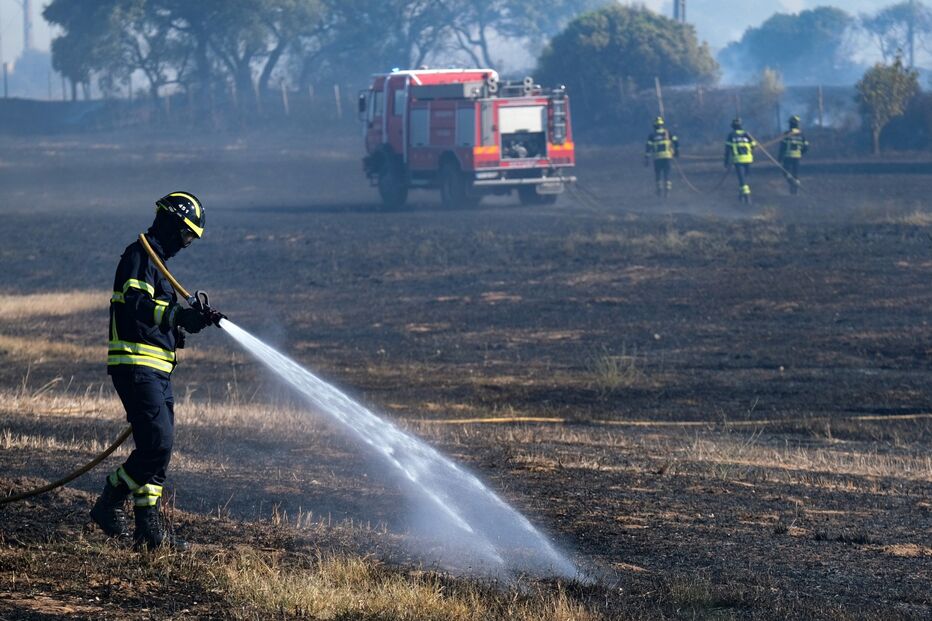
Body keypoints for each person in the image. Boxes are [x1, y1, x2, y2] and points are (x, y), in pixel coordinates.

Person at [90, 191, 220, 550]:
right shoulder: (138, 257)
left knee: (159, 450)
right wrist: (175, 315)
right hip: (135, 366)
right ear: (171, 223)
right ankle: (110, 500)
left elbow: (156, 315)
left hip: (157, 370)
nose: (187, 243)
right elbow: (135, 304)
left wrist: (182, 325)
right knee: (156, 444)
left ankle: (147, 528)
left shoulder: (158, 264)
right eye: (186, 234)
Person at [724, 117, 757, 204]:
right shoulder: (747, 134)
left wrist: (726, 161)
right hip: (748, 159)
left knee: (742, 180)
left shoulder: (731, 135)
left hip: (738, 160)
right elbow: (754, 145)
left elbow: (727, 150)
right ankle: (741, 195)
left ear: (733, 126)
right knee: (743, 179)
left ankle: (747, 196)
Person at [644, 116, 679, 198]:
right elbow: (676, 141)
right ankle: (667, 192)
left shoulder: (652, 136)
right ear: (662, 125)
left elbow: (648, 148)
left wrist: (647, 158)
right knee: (667, 174)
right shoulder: (667, 133)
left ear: (655, 126)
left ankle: (659, 191)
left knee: (658, 175)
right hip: (667, 157)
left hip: (657, 158)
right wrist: (676, 151)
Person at [779, 115, 809, 195]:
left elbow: (782, 147)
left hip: (787, 157)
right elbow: (806, 147)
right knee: (795, 174)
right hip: (797, 157)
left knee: (786, 172)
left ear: (791, 124)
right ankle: (794, 190)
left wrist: (779, 158)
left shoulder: (787, 134)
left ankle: (791, 182)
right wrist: (800, 153)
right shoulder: (801, 135)